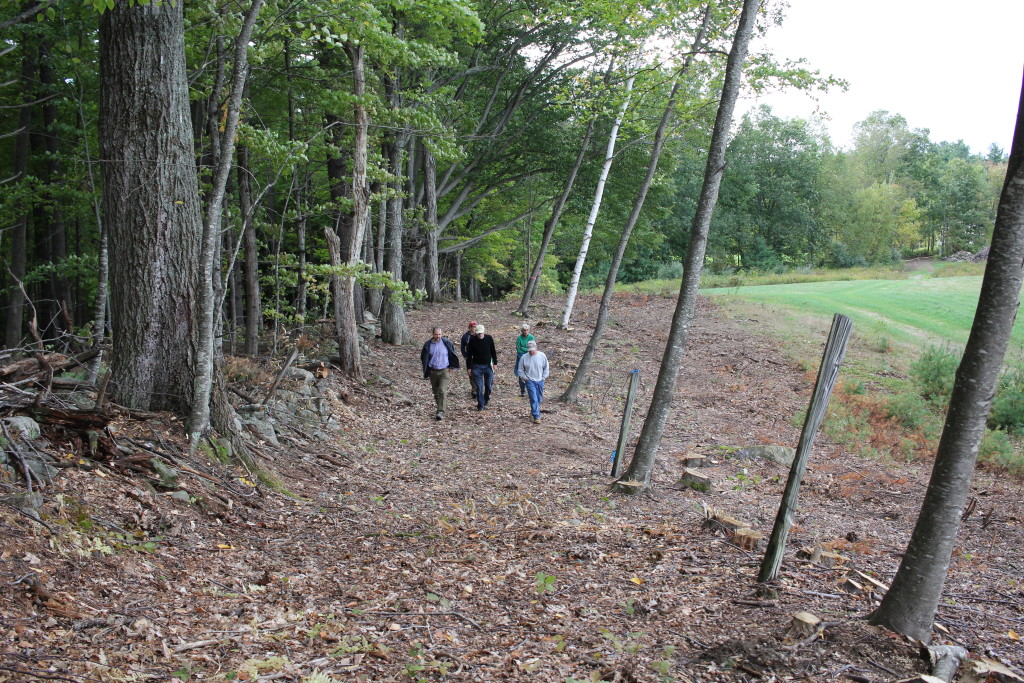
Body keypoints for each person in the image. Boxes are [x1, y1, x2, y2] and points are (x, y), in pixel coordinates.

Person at [420, 326, 460, 421]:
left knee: (442, 390)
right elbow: (423, 357)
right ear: (432, 334)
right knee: (436, 393)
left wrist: (451, 366)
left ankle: (441, 411)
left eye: (439, 334)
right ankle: (441, 407)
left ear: (442, 334)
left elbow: (452, 354)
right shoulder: (427, 345)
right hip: (433, 372)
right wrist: (427, 368)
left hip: (444, 371)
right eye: (436, 334)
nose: (438, 336)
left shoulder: (447, 343)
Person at [465, 324, 498, 411]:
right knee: (479, 387)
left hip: (488, 365)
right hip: (476, 366)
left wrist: (495, 363)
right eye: (478, 333)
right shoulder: (472, 340)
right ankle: (480, 404)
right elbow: (469, 355)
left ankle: (486, 398)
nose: (480, 335)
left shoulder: (489, 338)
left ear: (484, 332)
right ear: (476, 333)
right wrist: (469, 368)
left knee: (488, 385)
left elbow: (493, 351)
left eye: (481, 333)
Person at [515, 339, 549, 423]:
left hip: (540, 379)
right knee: (533, 397)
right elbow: (520, 370)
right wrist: (525, 378)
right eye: (529, 351)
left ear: (536, 348)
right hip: (530, 380)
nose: (531, 352)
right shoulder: (524, 357)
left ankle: (534, 410)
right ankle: (536, 416)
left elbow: (546, 367)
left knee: (539, 398)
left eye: (532, 350)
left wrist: (544, 377)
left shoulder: (542, 355)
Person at [514, 323, 535, 397]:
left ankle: (530, 390)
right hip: (520, 357)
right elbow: (518, 349)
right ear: (521, 331)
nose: (525, 331)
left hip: (530, 357)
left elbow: (532, 348)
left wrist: (524, 348)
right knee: (521, 374)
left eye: (526, 330)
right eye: (524, 330)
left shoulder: (531, 337)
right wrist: (526, 349)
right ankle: (523, 390)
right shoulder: (519, 338)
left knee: (530, 373)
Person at [460, 320, 478, 399]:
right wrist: (465, 355)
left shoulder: (478, 335)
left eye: (475, 327)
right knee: (471, 373)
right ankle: (474, 389)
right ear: (470, 328)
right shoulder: (465, 336)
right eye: (473, 327)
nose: (475, 328)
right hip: (469, 357)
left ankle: (478, 388)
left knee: (478, 372)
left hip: (478, 357)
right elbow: (462, 347)